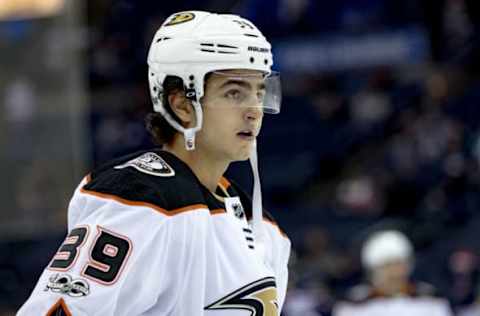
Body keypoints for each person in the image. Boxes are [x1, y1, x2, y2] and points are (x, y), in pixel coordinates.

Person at [17, 10, 291, 315]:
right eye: (234, 92)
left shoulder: (265, 228)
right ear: (183, 105)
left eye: (259, 92)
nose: (254, 111)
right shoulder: (141, 196)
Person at [332, 230, 452, 316]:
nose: (394, 273)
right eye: (386, 266)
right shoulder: (353, 303)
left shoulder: (430, 300)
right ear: (372, 272)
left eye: (399, 264)